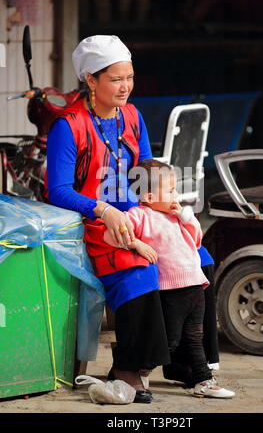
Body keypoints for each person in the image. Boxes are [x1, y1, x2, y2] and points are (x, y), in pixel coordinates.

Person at [47, 35, 171, 404]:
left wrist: (163, 206)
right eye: (116, 79)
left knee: (196, 257)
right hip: (92, 222)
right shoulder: (68, 126)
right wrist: (104, 209)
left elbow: (146, 171)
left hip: (134, 214)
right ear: (90, 79)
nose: (126, 87)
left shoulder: (132, 116)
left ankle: (192, 365)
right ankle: (128, 370)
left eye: (129, 77)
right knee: (139, 267)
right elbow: (59, 190)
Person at [103, 159, 235, 399]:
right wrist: (136, 243)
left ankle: (203, 381)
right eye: (171, 190)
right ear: (151, 197)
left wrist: (187, 218)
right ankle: (131, 372)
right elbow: (110, 235)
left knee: (195, 337)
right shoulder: (139, 215)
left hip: (195, 286)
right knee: (171, 342)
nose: (176, 195)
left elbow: (196, 241)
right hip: (172, 291)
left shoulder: (175, 216)